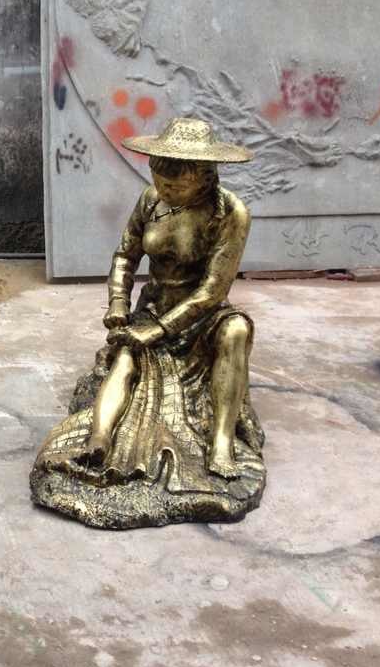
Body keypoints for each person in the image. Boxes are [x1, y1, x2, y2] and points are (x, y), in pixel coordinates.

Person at [73, 118, 259, 491]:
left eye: (176, 186)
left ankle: (222, 441)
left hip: (203, 314)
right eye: (159, 182)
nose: (165, 191)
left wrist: (159, 331)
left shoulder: (230, 213)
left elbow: (213, 289)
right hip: (155, 304)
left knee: (236, 331)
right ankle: (100, 438)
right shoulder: (150, 201)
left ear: (204, 179)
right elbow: (125, 256)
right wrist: (118, 303)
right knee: (126, 358)